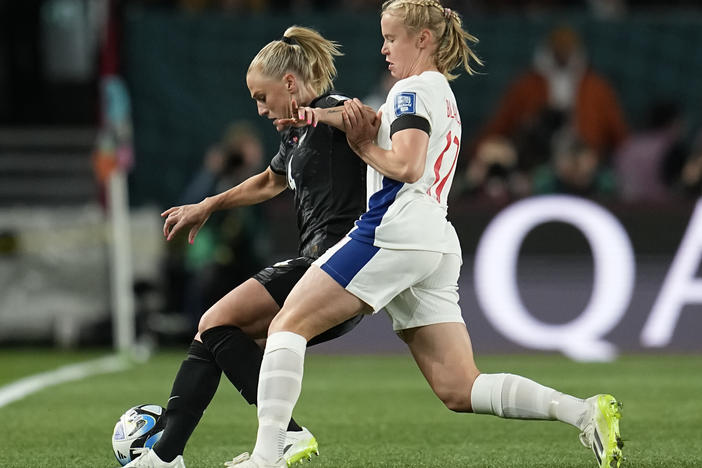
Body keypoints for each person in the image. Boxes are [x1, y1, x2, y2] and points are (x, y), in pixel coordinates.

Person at [225, 2, 623, 468]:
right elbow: (377, 124)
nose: (383, 48)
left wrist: (363, 148)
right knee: (460, 387)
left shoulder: (411, 90)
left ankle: (268, 454)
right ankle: (583, 412)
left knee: (286, 325)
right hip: (434, 238)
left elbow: (406, 165)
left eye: (391, 38)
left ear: (423, 40)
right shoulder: (439, 94)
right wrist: (322, 118)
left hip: (392, 229)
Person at [120, 26, 369, 468]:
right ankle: (169, 454)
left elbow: (370, 121)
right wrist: (208, 205)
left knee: (214, 321)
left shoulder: (332, 112)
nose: (259, 108)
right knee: (215, 334)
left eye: (262, 96)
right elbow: (270, 181)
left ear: (289, 84)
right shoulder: (294, 134)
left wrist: (343, 117)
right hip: (320, 269)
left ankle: (267, 439)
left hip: (335, 263)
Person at [465, 24, 628, 201]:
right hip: (539, 161)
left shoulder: (596, 88)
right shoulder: (527, 86)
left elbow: (619, 135)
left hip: (586, 161)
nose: (563, 52)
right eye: (559, 47)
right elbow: (500, 125)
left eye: (567, 47)